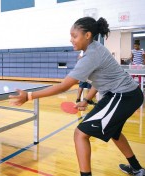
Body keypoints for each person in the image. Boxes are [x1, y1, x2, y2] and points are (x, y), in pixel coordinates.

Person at [9, 17, 144, 176]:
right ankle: (137, 168)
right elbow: (98, 80)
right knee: (114, 132)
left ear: (87, 35)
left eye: (74, 36)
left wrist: (29, 96)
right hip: (124, 94)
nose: (71, 39)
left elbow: (64, 86)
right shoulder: (95, 48)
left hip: (123, 95)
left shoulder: (91, 55)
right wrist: (86, 100)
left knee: (80, 134)